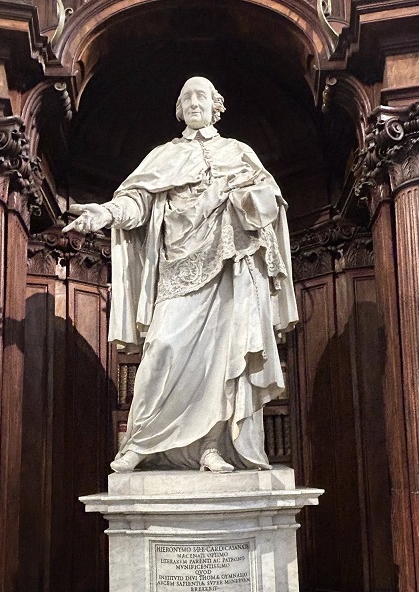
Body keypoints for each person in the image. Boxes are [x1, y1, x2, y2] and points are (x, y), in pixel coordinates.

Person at [64, 76, 298, 472]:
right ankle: (140, 442)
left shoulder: (238, 152)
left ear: (215, 105)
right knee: (161, 348)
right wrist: (104, 213)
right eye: (186, 97)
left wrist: (245, 197)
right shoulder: (164, 156)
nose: (193, 102)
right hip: (177, 270)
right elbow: (137, 202)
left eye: (201, 96)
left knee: (223, 361)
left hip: (228, 269)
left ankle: (211, 447)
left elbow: (270, 204)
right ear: (179, 109)